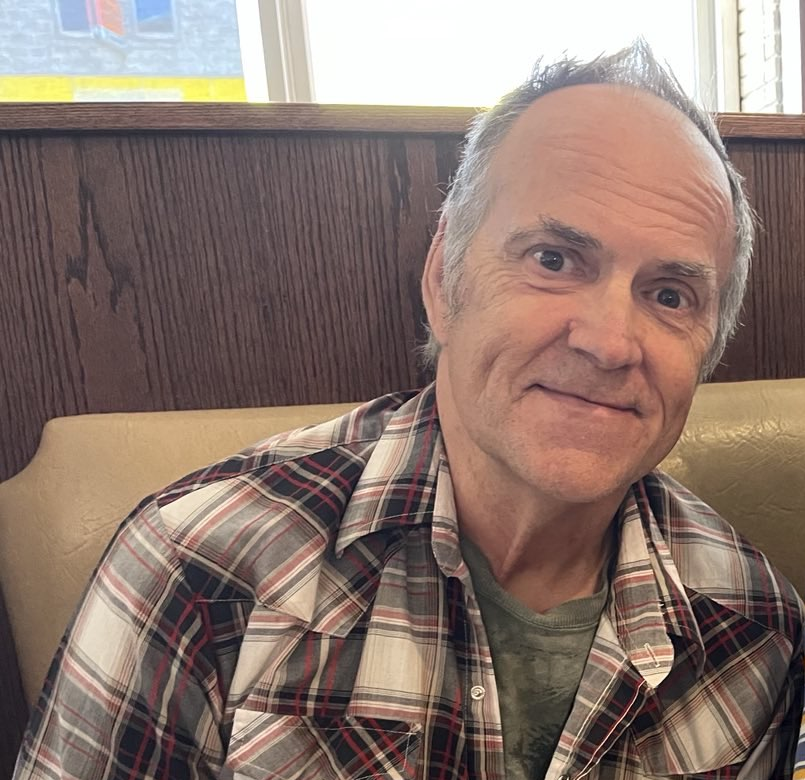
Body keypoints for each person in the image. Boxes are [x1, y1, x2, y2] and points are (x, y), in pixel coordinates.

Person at [14, 41, 804, 780]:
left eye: (669, 295)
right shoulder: (204, 567)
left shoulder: (752, 623)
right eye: (553, 260)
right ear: (442, 278)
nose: (607, 341)